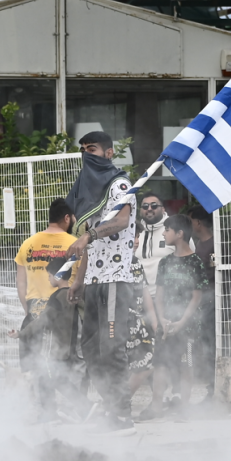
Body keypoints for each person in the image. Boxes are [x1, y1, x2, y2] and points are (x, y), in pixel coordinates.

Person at [65, 131, 138, 436]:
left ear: (108, 153)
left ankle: (123, 415)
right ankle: (110, 408)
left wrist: (88, 235)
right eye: (83, 150)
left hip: (114, 280)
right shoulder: (89, 192)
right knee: (90, 349)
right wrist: (78, 281)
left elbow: (121, 221)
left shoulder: (119, 185)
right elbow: (88, 246)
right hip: (93, 282)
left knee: (111, 347)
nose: (86, 154)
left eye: (92, 149)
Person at [9, 256, 85, 422]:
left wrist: (21, 334)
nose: (49, 279)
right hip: (71, 347)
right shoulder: (73, 294)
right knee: (56, 378)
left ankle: (57, 412)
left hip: (56, 349)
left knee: (47, 376)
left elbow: (43, 321)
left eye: (50, 275)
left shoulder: (57, 297)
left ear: (58, 276)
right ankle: (78, 409)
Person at [153, 214, 208, 417]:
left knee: (186, 365)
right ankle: (156, 407)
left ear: (179, 234)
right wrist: (162, 319)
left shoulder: (196, 262)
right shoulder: (164, 262)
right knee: (160, 364)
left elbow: (196, 297)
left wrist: (182, 322)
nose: (164, 234)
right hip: (166, 325)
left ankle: (184, 408)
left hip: (188, 327)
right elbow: (159, 295)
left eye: (167, 230)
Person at [14, 198, 76, 373]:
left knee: (32, 370)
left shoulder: (28, 244)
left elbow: (20, 282)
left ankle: (34, 392)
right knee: (61, 371)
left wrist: (28, 310)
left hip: (34, 311)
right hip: (64, 316)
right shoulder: (75, 244)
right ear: (67, 218)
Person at [126, 221, 161, 420]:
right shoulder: (115, 263)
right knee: (137, 365)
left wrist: (154, 320)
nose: (137, 241)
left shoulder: (136, 262)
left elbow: (145, 290)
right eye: (134, 236)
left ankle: (120, 403)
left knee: (148, 363)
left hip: (139, 323)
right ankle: (118, 405)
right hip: (122, 323)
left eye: (138, 236)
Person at [186, 206, 217, 398]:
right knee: (205, 343)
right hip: (202, 301)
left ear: (198, 223)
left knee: (211, 344)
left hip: (212, 302)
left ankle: (214, 388)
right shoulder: (199, 244)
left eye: (190, 221)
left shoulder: (215, 244)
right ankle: (210, 386)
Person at [137, 192, 174, 297]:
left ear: (163, 209)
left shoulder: (175, 230)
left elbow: (190, 259)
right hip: (139, 298)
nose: (149, 209)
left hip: (169, 299)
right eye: (145, 206)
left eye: (154, 205)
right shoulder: (133, 232)